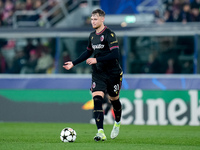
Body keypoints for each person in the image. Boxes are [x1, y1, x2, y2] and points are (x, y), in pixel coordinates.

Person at [63, 8, 123, 141]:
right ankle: (100, 132)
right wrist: (74, 63)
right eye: (91, 19)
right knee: (97, 99)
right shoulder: (92, 36)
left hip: (113, 73)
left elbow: (115, 54)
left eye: (95, 19)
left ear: (102, 19)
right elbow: (88, 52)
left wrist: (97, 59)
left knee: (114, 100)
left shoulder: (109, 34)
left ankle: (117, 123)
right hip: (98, 73)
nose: (93, 21)